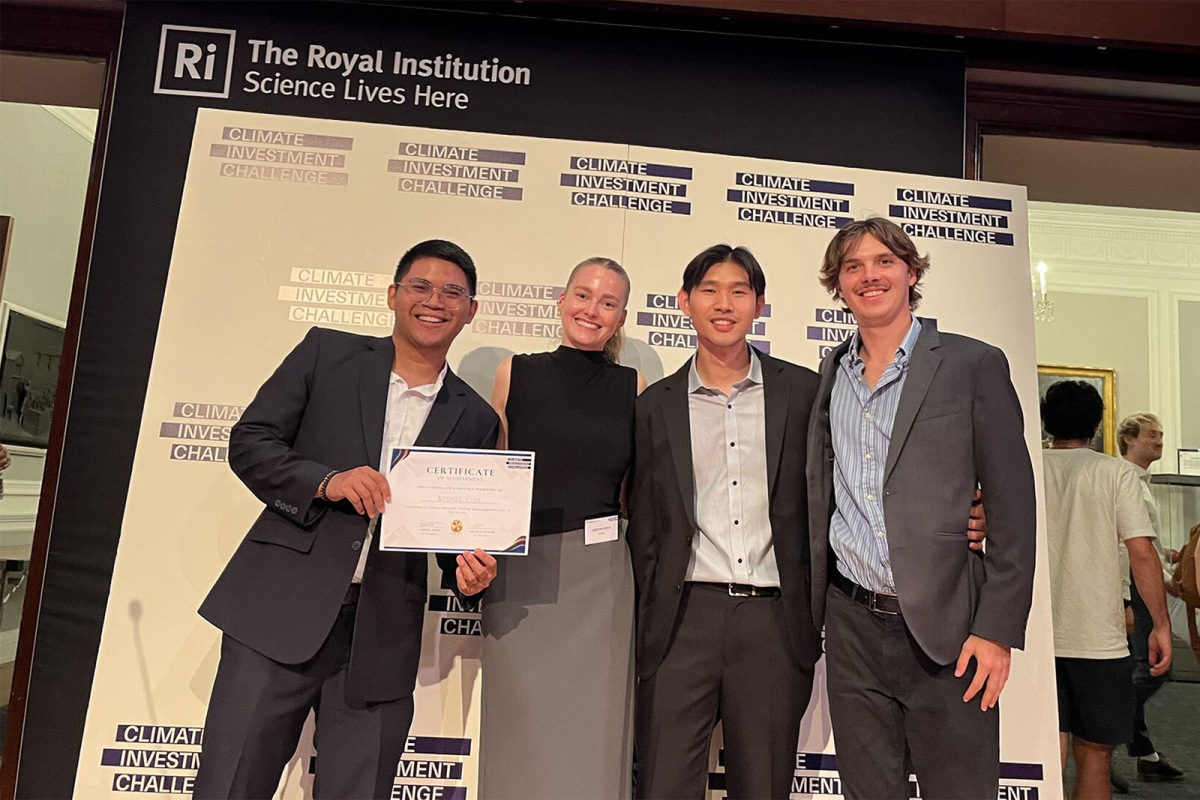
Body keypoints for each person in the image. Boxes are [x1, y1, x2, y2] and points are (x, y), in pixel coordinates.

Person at [193, 240, 501, 800]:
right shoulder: (327, 353)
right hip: (276, 612)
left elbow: (453, 532)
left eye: (452, 292)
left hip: (381, 635)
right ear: (393, 295)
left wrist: (470, 575)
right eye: (421, 286)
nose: (435, 301)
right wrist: (325, 481)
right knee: (230, 785)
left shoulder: (476, 417)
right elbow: (251, 441)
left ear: (471, 310)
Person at [807, 217, 1037, 800]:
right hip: (852, 627)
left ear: (911, 272)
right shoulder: (830, 373)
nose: (869, 275)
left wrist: (996, 630)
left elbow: (1013, 506)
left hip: (950, 628)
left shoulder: (972, 364)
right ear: (838, 284)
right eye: (853, 266)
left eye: (884, 261)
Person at [628, 244, 821, 800]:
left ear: (759, 304)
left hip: (773, 622)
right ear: (684, 301)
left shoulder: (804, 392)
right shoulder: (654, 405)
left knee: (763, 786)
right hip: (681, 619)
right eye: (709, 290)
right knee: (663, 783)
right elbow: (644, 520)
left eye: (739, 291)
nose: (724, 303)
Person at [481, 257, 643, 799]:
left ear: (621, 318)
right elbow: (495, 475)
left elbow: (635, 492)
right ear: (561, 300)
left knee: (596, 734)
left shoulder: (634, 386)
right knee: (517, 730)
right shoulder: (514, 372)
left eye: (608, 302)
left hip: (602, 580)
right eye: (583, 295)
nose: (592, 310)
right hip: (520, 572)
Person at [1041, 382, 1172, 800]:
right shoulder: (1115, 473)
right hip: (1098, 637)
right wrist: (1161, 624)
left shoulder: (1026, 466)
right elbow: (1142, 553)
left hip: (1033, 633)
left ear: (1045, 421)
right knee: (1095, 756)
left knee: (1045, 752)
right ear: (1097, 426)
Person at [1116, 412, 1184, 784]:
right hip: (1135, 586)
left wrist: (1167, 559)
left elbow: (1147, 541)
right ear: (1129, 439)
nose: (1159, 441)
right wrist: (1158, 582)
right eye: (1152, 435)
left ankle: (1145, 754)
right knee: (1153, 669)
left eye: (1160, 435)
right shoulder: (1126, 480)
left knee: (1137, 668)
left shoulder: (1138, 481)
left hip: (1137, 583)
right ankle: (1100, 741)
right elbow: (1128, 546)